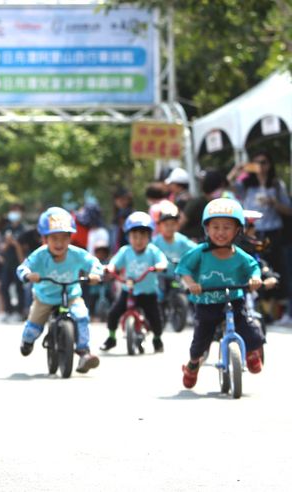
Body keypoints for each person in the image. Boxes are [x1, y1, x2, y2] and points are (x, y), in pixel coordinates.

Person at [178, 198, 265, 388]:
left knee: (248, 328)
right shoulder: (200, 252)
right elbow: (184, 268)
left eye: (227, 227)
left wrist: (255, 278)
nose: (220, 232)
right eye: (215, 227)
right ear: (207, 229)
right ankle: (192, 365)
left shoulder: (239, 255)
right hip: (206, 302)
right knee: (201, 341)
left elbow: (253, 268)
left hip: (233, 299)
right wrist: (192, 283)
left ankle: (251, 352)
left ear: (237, 230)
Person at [16, 207, 103, 373]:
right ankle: (27, 342)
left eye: (64, 238)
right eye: (54, 238)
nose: (59, 243)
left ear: (71, 238)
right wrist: (28, 275)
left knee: (82, 316)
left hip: (71, 295)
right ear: (45, 239)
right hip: (45, 297)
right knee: (33, 329)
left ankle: (84, 352)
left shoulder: (76, 253)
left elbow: (94, 263)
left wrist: (95, 274)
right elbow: (23, 267)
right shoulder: (40, 255)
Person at [227, 152, 292, 322]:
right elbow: (227, 185)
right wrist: (237, 170)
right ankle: (260, 309)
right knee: (252, 265)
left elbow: (288, 209)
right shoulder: (247, 184)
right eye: (256, 163)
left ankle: (277, 311)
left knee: (274, 269)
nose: (260, 166)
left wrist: (273, 203)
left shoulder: (276, 184)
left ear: (269, 165)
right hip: (251, 232)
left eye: (263, 162)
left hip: (273, 233)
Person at [101, 211, 168, 353]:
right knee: (113, 313)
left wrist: (159, 266)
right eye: (134, 236)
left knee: (156, 318)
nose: (138, 240)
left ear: (149, 237)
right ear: (128, 237)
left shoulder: (152, 251)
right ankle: (111, 338)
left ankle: (157, 339)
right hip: (129, 290)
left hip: (148, 292)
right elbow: (115, 263)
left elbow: (162, 261)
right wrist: (110, 268)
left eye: (143, 236)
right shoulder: (125, 251)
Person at [179, 169, 228, 242]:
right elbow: (179, 224)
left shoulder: (220, 204)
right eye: (221, 187)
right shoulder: (196, 203)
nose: (222, 190)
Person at [0, 204, 27, 322]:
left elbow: (24, 247)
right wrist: (7, 243)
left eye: (16, 211)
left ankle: (19, 312)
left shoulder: (23, 230)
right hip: (7, 263)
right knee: (3, 287)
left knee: (19, 288)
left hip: (18, 263)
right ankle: (7, 311)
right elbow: (2, 247)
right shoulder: (7, 228)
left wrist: (14, 243)